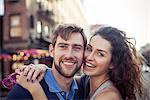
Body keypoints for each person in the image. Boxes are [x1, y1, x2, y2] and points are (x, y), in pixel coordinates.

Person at [10, 26, 146, 100]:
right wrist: (43, 68)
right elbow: (64, 77)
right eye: (89, 49)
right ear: (51, 51)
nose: (90, 57)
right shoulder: (84, 84)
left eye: (100, 54)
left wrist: (36, 91)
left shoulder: (109, 96)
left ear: (112, 63)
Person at [7, 24, 87, 100]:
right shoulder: (24, 89)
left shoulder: (84, 90)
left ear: (84, 53)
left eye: (77, 48)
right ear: (51, 51)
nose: (69, 55)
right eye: (63, 46)